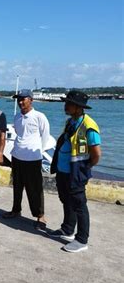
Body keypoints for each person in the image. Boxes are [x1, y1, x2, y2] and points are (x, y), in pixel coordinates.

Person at [49, 91, 101, 253]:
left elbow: (96, 153)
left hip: (76, 172)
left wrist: (85, 168)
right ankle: (67, 229)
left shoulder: (88, 125)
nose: (65, 106)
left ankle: (82, 239)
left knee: (79, 205)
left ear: (78, 107)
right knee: (66, 199)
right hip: (63, 170)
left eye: (68, 103)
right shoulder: (70, 121)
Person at [3, 89, 50, 231]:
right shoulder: (17, 117)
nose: (21, 102)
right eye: (19, 100)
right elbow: (18, 133)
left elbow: (45, 136)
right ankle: (16, 209)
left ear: (31, 100)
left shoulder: (39, 116)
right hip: (17, 156)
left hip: (32, 158)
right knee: (17, 186)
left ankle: (40, 215)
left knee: (34, 189)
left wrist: (37, 151)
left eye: (24, 99)